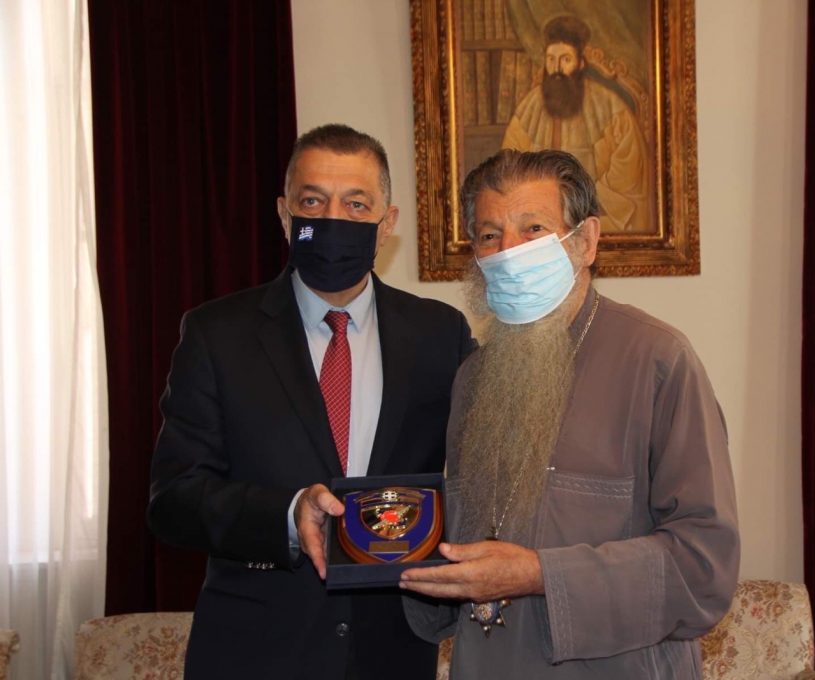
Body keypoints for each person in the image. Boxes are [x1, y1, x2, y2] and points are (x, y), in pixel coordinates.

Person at [148, 124, 474, 679]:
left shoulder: (441, 335)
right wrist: (287, 514)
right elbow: (173, 500)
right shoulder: (216, 335)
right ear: (284, 214)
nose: (332, 220)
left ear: (387, 222)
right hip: (254, 654)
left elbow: (480, 472)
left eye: (356, 204)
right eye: (312, 202)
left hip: (392, 654)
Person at [400, 149, 739, 678]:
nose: (508, 252)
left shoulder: (657, 359)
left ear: (585, 241)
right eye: (489, 235)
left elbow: (704, 565)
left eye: (533, 228)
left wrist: (539, 574)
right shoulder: (473, 378)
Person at [501, 15, 651, 233]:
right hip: (539, 222)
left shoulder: (610, 106)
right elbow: (510, 166)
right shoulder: (529, 108)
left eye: (565, 60)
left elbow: (629, 172)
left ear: (580, 63)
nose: (557, 68)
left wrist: (582, 198)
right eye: (551, 60)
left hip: (598, 215)